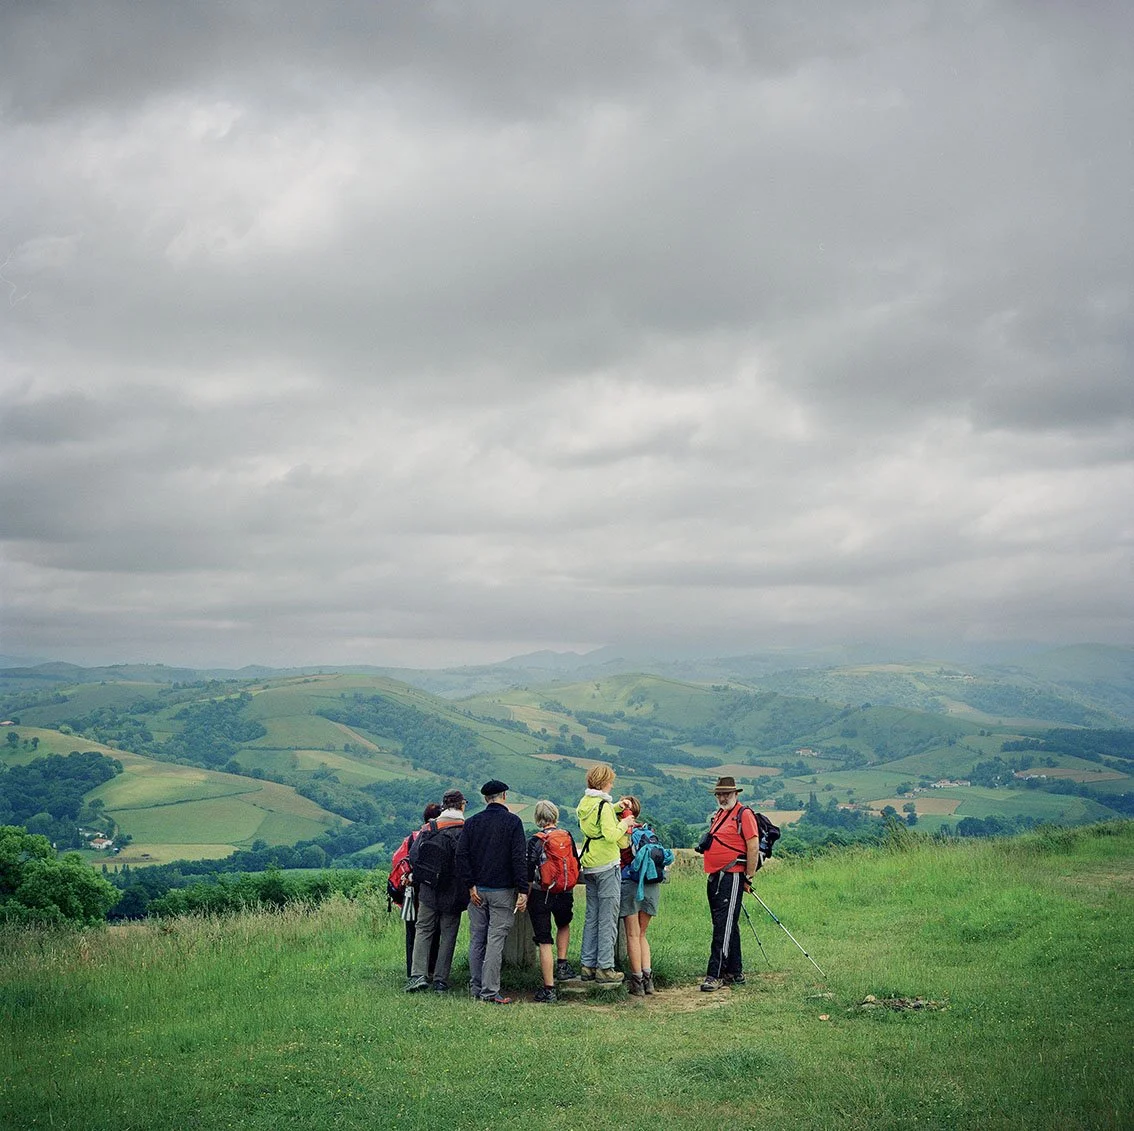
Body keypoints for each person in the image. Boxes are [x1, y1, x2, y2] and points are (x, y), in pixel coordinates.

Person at [457, 779, 529, 1004]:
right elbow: (518, 858)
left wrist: (470, 885)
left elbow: (462, 856)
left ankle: (476, 987)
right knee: (495, 940)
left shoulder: (472, 823)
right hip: (502, 891)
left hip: (477, 891)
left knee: (477, 939)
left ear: (485, 798)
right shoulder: (513, 822)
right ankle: (490, 991)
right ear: (504, 796)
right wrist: (523, 889)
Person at [405, 789, 469, 994]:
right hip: (454, 890)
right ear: (462, 805)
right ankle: (441, 980)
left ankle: (418, 975)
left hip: (429, 888)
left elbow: (415, 857)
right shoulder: (465, 829)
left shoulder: (429, 827)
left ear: (443, 806)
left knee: (423, 929)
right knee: (448, 933)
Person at [699, 776, 760, 992]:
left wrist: (748, 877)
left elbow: (753, 846)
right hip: (716, 876)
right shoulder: (720, 815)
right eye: (720, 794)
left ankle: (715, 974)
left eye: (727, 794)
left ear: (736, 794)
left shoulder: (744, 815)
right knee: (725, 924)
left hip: (732, 875)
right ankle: (735, 972)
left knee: (724, 926)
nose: (723, 797)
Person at [575, 764, 632, 984]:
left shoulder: (585, 803)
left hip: (589, 864)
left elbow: (598, 820)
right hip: (607, 865)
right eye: (610, 781)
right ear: (604, 782)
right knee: (608, 918)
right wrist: (625, 822)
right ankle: (605, 967)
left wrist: (617, 806)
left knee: (592, 916)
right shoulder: (604, 806)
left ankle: (587, 965)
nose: (612, 784)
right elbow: (610, 834)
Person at [525, 800, 580, 1003]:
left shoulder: (535, 841)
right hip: (564, 890)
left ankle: (549, 989)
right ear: (555, 816)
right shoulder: (567, 836)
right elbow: (576, 861)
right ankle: (563, 965)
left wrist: (525, 894)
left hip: (541, 893)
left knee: (544, 940)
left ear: (538, 819)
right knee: (563, 924)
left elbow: (528, 871)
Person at [616, 795, 659, 997]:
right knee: (642, 934)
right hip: (650, 885)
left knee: (632, 935)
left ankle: (637, 982)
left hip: (630, 883)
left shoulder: (622, 831)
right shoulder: (648, 830)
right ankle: (649, 980)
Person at [398, 802, 442, 978]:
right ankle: (431, 970)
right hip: (432, 891)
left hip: (411, 893)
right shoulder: (440, 835)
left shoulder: (412, 838)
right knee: (435, 932)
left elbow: (398, 862)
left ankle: (413, 972)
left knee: (412, 933)